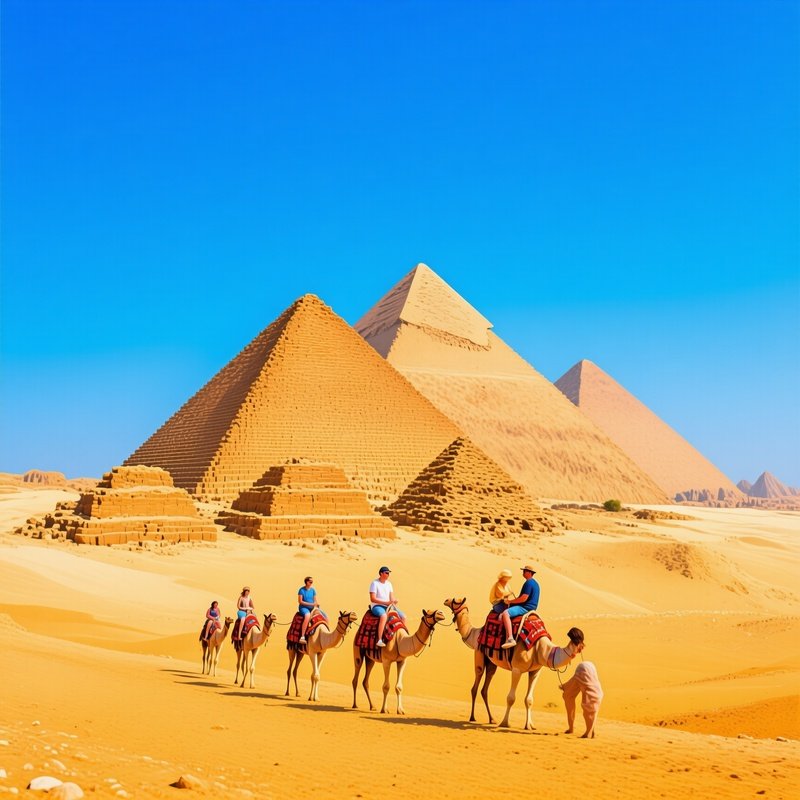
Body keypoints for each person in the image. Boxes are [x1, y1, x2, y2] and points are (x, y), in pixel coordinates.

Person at [499, 565, 540, 649]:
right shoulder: (536, 584)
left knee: (505, 613)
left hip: (525, 608)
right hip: (532, 608)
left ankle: (510, 638)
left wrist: (509, 601)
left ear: (529, 572)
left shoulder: (528, 583)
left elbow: (523, 598)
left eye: (524, 571)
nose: (523, 572)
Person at [561, 661, 603, 738]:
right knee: (590, 713)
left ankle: (588, 733)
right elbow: (571, 686)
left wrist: (565, 687)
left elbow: (571, 684)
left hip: (592, 698)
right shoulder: (582, 677)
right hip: (596, 693)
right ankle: (583, 730)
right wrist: (565, 686)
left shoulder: (589, 686)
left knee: (589, 713)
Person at [369, 566, 404, 647]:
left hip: (388, 606)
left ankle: (402, 639)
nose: (388, 575)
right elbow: (372, 599)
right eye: (387, 573)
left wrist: (394, 601)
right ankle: (379, 640)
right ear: (381, 573)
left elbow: (391, 597)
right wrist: (386, 603)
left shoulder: (389, 584)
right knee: (384, 616)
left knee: (403, 616)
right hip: (377, 606)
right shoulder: (374, 583)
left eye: (389, 573)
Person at [297, 576, 318, 643]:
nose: (312, 583)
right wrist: (311, 604)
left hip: (312, 608)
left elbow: (315, 600)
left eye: (312, 581)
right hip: (304, 608)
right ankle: (302, 636)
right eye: (310, 581)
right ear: (306, 582)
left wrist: (316, 604)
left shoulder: (313, 590)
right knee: (307, 615)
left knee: (319, 615)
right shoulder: (301, 590)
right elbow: (300, 601)